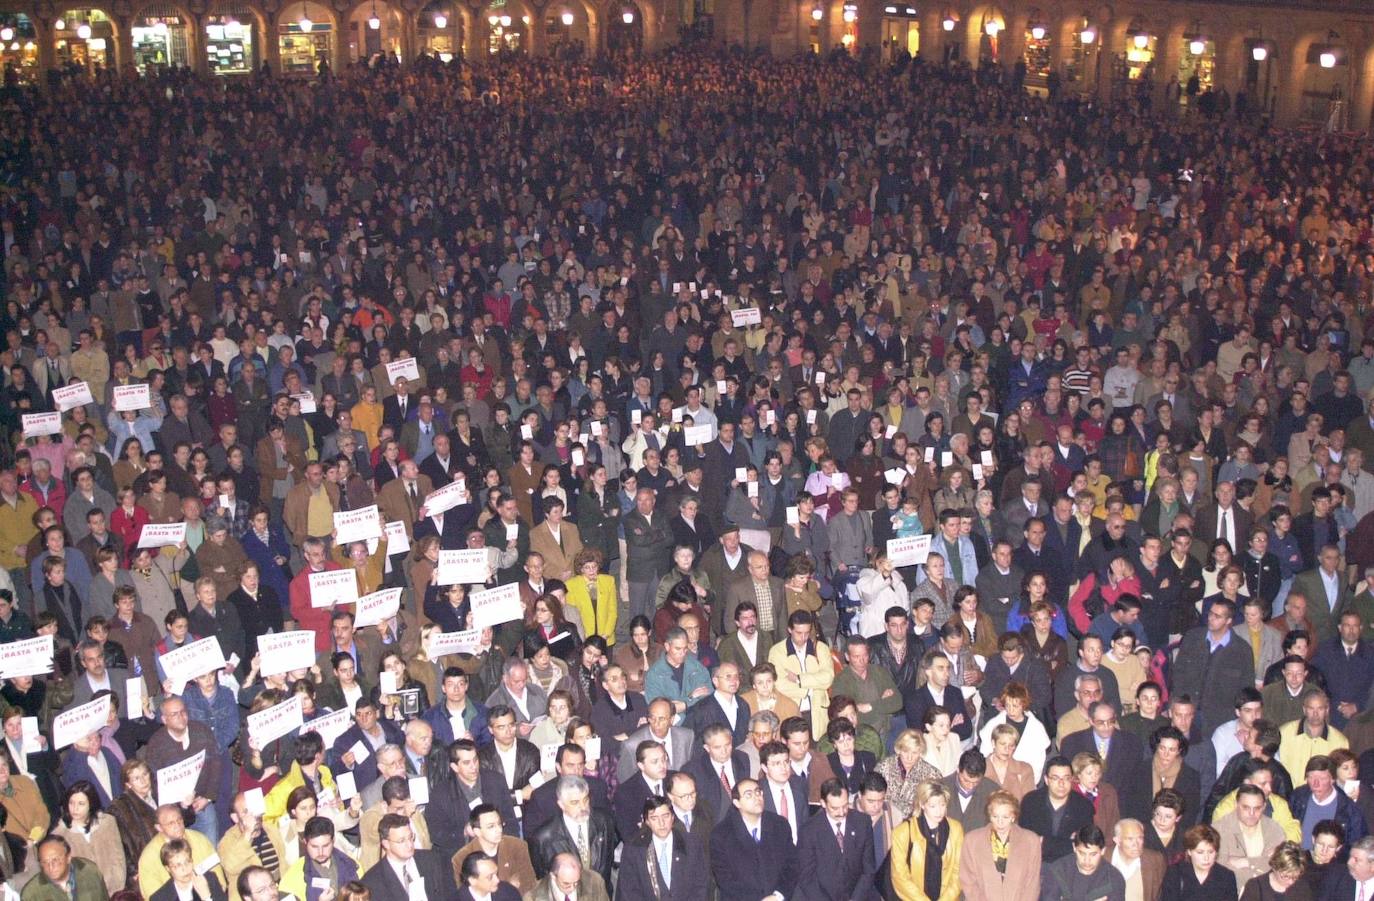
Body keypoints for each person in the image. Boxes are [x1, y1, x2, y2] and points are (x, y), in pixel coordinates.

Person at [709, 778, 796, 901]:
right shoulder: (721, 835)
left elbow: (791, 865)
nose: (757, 797)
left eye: (758, 792)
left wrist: (778, 895)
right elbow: (725, 879)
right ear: (736, 803)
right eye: (749, 795)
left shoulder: (779, 825)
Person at [614, 794, 709, 901]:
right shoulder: (635, 849)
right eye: (654, 818)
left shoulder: (691, 845)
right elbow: (628, 892)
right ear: (647, 821)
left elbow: (700, 886)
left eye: (665, 816)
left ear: (673, 817)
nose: (661, 823)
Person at [891, 779, 963, 900]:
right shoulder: (902, 832)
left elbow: (959, 872)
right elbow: (900, 876)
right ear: (922, 804)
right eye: (933, 806)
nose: (939, 811)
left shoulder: (956, 829)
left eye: (943, 805)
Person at [360, 814, 458, 901]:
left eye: (411, 837)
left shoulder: (434, 860)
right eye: (401, 840)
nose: (409, 844)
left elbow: (451, 895)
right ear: (386, 844)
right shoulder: (373, 882)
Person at [1017, 756, 1095, 863]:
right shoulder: (1030, 802)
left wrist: (1044, 842)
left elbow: (1084, 847)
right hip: (1034, 863)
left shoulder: (1084, 806)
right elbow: (1025, 843)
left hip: (1070, 867)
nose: (1061, 783)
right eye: (1055, 778)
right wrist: (1068, 844)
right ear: (1046, 780)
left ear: (1072, 779)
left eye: (1066, 778)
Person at [1039, 825, 1126, 901]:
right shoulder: (1058, 870)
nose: (1087, 860)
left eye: (1093, 854)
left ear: (1103, 851)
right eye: (1082, 853)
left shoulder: (1114, 878)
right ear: (1074, 848)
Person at [1159, 823, 1240, 901]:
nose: (1206, 858)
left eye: (1211, 852)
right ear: (1189, 851)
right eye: (1200, 852)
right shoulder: (1175, 874)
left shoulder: (1226, 877)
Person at [21, 834, 110, 901]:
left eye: (55, 860)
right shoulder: (31, 894)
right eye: (45, 862)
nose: (51, 866)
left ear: (68, 857)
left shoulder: (89, 871)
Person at [149, 838, 228, 901]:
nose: (185, 868)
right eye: (178, 865)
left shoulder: (210, 880)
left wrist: (207, 898)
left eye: (187, 862)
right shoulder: (159, 898)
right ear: (168, 868)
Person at [457, 852, 523, 901]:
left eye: (496, 873)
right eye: (490, 877)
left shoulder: (509, 892)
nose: (497, 880)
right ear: (472, 880)